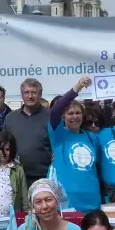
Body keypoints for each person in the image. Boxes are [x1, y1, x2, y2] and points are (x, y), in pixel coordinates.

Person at [48, 76, 102, 212]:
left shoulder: (92, 137)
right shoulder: (58, 134)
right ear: (63, 117)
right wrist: (77, 88)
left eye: (78, 113)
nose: (74, 116)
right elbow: (55, 111)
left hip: (92, 199)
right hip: (68, 201)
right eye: (70, 113)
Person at [5, 77, 52, 182]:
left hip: (45, 177)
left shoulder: (51, 116)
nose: (30, 96)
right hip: (17, 176)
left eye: (34, 92)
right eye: (26, 92)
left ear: (40, 95)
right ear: (22, 95)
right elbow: (4, 145)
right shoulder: (10, 118)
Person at [0, 129, 27, 216]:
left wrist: (27, 216)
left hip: (12, 219)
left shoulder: (18, 170)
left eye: (7, 149)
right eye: (0, 149)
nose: (3, 153)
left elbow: (25, 198)